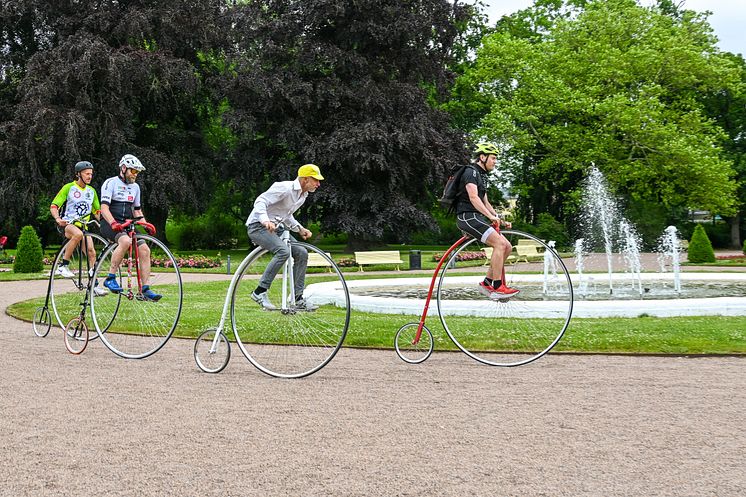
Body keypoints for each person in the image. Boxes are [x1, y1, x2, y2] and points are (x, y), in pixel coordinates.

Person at [245, 164, 323, 311]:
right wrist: (265, 220)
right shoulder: (285, 188)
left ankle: (298, 298)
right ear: (305, 179)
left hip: (277, 229)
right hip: (258, 226)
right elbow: (260, 201)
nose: (318, 184)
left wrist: (300, 229)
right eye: (315, 180)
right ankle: (259, 292)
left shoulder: (302, 196)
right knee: (283, 251)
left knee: (302, 253)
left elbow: (286, 215)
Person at [455, 142, 519, 299]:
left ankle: (487, 282)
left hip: (476, 217)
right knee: (500, 244)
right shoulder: (470, 172)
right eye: (493, 158)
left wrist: (498, 218)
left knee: (508, 247)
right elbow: (473, 197)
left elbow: (486, 203)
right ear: (482, 157)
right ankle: (497, 287)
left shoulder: (480, 176)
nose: (495, 161)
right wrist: (490, 217)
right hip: (467, 217)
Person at [98, 154, 160, 301]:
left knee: (145, 249)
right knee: (125, 241)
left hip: (128, 223)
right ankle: (110, 278)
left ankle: (145, 289)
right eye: (133, 171)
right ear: (124, 168)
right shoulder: (110, 183)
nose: (135, 175)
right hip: (109, 222)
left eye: (137, 172)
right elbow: (104, 209)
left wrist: (145, 225)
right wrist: (113, 223)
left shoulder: (135, 187)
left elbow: (136, 210)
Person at [49, 161, 108, 296]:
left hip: (84, 227)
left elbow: (97, 212)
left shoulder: (91, 191)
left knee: (92, 252)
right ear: (78, 174)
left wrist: (106, 224)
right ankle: (63, 265)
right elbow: (54, 206)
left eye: (91, 174)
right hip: (69, 225)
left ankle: (94, 286)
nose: (89, 176)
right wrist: (58, 219)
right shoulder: (69, 188)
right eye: (87, 174)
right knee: (78, 234)